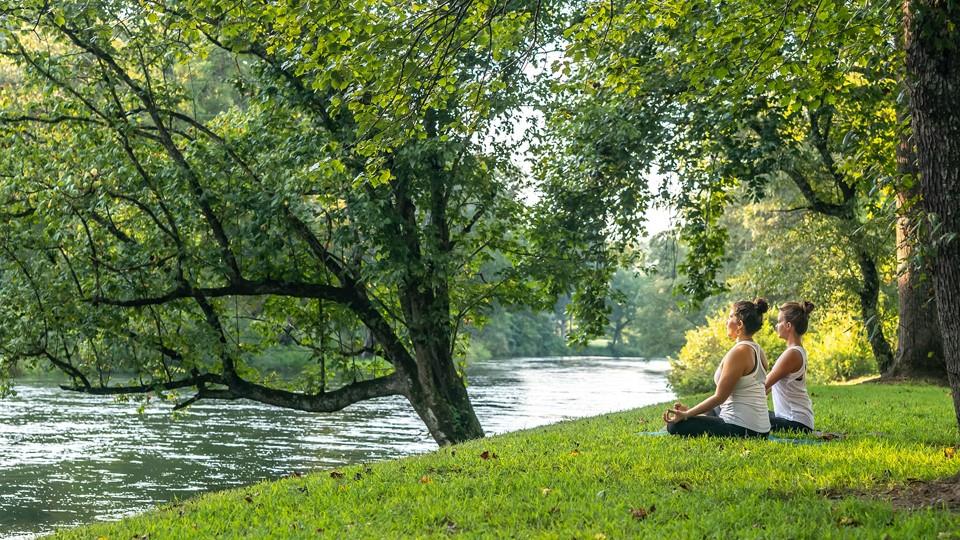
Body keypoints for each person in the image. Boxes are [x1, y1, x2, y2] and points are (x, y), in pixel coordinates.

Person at [663, 299, 772, 438]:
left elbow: (720, 397)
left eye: (730, 316)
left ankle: (686, 415)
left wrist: (686, 415)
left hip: (742, 428)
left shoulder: (739, 352)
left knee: (674, 426)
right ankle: (689, 413)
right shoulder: (758, 350)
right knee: (711, 410)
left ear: (739, 324)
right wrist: (689, 412)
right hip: (761, 429)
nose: (727, 322)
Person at [764, 301, 816, 432]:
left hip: (795, 424)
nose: (776, 326)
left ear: (788, 325)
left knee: (743, 416)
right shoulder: (795, 351)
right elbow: (768, 386)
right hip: (795, 420)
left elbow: (764, 384)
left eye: (779, 321)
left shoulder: (792, 354)